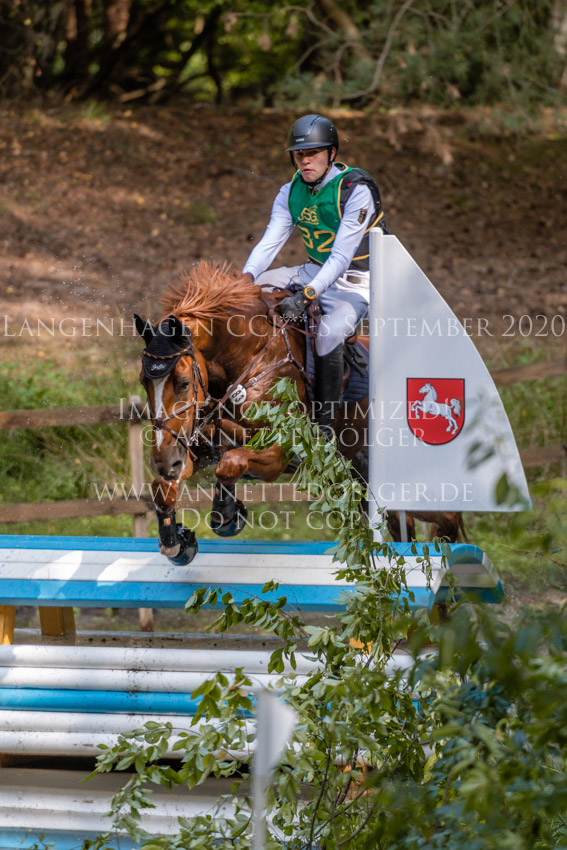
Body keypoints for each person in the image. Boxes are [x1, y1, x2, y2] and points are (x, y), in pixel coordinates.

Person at [241, 113, 387, 437]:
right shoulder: (289, 191)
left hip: (356, 281)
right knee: (256, 290)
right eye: (299, 155)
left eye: (313, 153)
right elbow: (270, 243)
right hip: (314, 269)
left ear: (331, 153)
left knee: (329, 333)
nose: (305, 161)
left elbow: (341, 257)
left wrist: (307, 294)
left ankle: (324, 425)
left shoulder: (355, 190)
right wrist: (245, 279)